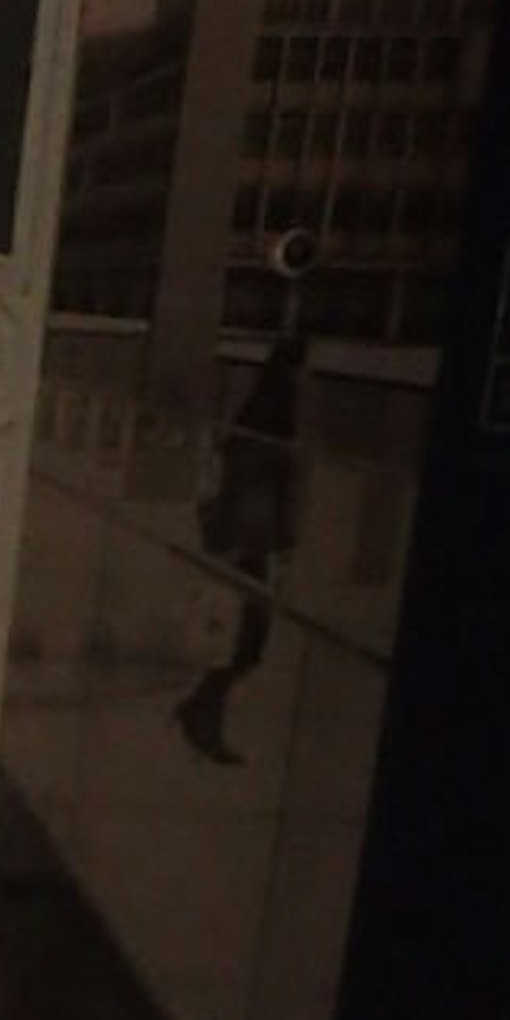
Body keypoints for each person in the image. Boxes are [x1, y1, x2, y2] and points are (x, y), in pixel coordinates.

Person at [176, 314, 309, 768]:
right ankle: (201, 715)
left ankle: (201, 711)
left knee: (244, 644)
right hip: (243, 549)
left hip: (241, 546)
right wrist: (273, 544)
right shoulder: (270, 432)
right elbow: (260, 489)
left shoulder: (256, 422)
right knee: (246, 644)